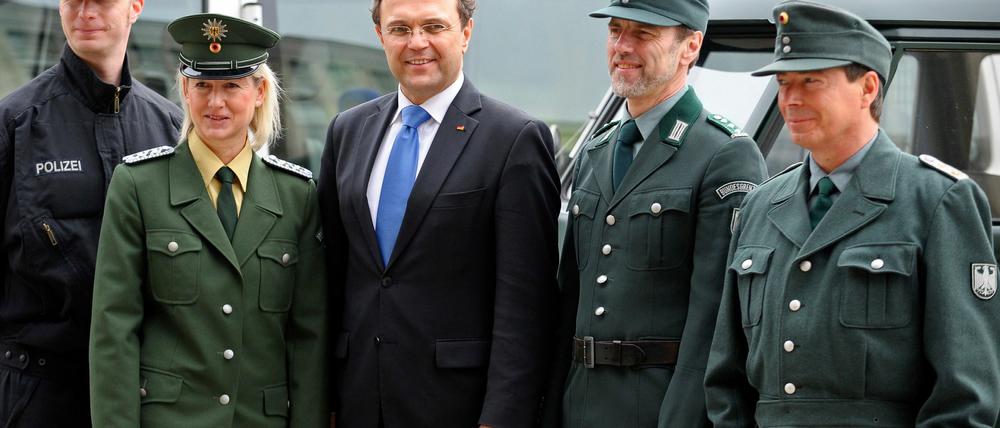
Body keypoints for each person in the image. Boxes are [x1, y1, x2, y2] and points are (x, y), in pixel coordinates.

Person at [704, 1, 1000, 426]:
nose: (791, 99)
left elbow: (965, 395)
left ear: (868, 88)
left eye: (811, 81)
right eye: (784, 83)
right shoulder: (760, 205)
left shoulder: (937, 200)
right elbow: (726, 381)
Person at [318, 0, 560, 426]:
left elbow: (526, 305)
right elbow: (333, 277)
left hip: (459, 407)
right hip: (359, 401)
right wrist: (328, 402)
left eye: (434, 26)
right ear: (380, 36)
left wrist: (502, 417)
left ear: (466, 33)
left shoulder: (514, 139)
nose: (417, 43)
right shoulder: (347, 131)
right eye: (400, 29)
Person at [88, 13, 328, 427]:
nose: (215, 103)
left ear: (259, 92)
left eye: (231, 86)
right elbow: (114, 331)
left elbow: (308, 337)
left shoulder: (296, 194)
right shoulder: (138, 185)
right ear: (185, 89)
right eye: (202, 86)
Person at [541, 1, 767, 427]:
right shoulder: (596, 150)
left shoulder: (723, 154)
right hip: (579, 405)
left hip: (658, 409)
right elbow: (569, 301)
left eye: (643, 33)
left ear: (691, 46)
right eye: (615, 30)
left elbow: (713, 321)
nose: (622, 46)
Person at [0, 0, 181, 425]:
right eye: (73, 0)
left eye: (100, 1)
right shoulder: (14, 123)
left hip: (146, 395)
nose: (85, 12)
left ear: (135, 6)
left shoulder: (171, 129)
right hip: (36, 394)